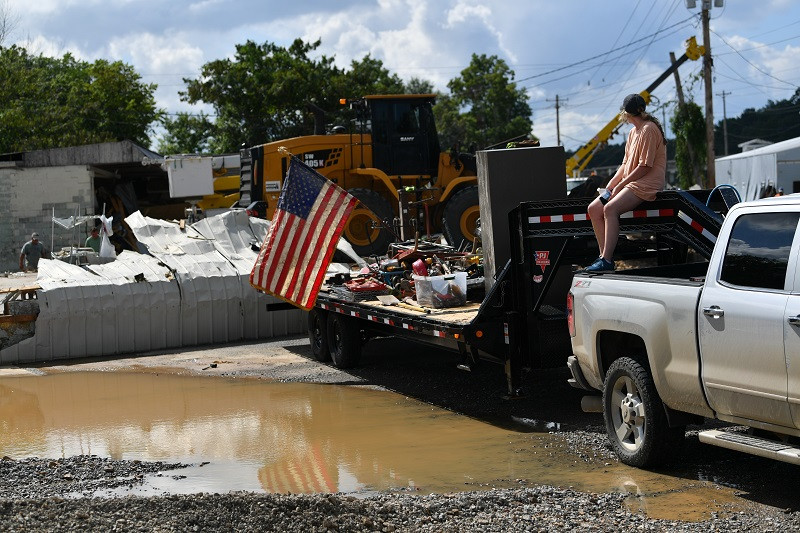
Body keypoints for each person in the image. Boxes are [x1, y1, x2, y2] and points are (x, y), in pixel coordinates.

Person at [584, 94, 667, 272]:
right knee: (594, 209)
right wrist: (611, 186)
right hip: (632, 182)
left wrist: (620, 185)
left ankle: (606, 260)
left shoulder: (649, 129)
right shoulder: (632, 132)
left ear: (625, 114)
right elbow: (625, 165)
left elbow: (645, 167)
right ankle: (603, 257)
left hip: (647, 182)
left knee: (609, 209)